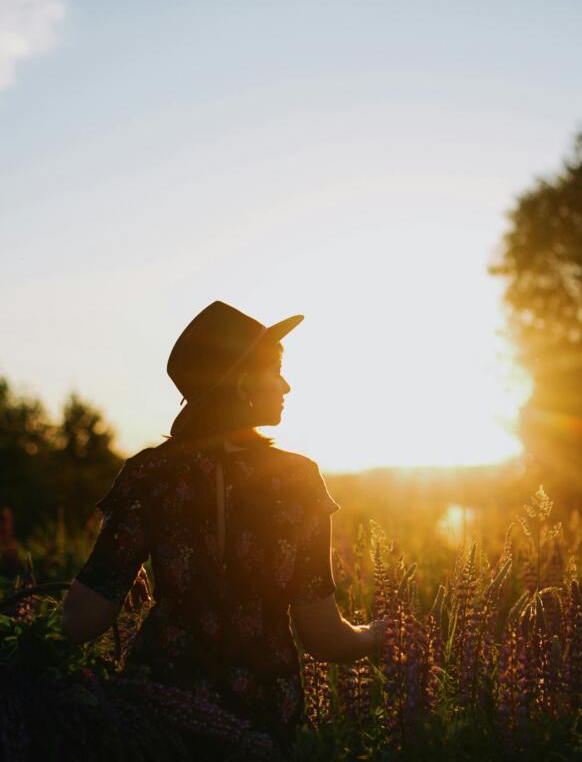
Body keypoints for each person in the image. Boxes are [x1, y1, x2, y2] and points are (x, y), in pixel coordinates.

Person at [61, 300, 388, 752]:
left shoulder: (149, 475)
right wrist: (378, 635)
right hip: (262, 722)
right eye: (276, 371)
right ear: (243, 382)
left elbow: (82, 619)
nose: (287, 385)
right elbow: (324, 638)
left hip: (156, 716)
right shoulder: (296, 479)